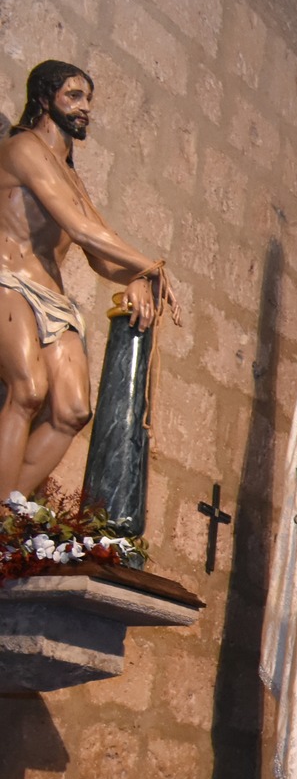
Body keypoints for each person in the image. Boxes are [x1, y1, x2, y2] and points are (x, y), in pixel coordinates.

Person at [0, 60, 179, 498]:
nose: (86, 108)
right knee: (29, 389)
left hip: (51, 297)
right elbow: (80, 230)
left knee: (73, 410)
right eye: (74, 96)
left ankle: (9, 514)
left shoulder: (72, 177)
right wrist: (150, 266)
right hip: (8, 281)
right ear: (44, 99)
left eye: (89, 99)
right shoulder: (23, 149)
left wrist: (136, 277)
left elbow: (101, 254)